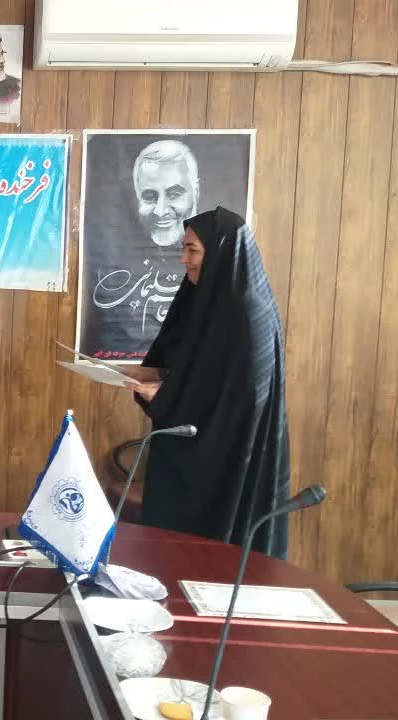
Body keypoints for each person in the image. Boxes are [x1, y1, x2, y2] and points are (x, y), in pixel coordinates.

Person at [123, 206, 291, 558]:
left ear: (220, 253)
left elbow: (241, 403)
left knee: (211, 559)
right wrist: (156, 374)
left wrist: (168, 398)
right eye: (183, 249)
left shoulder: (249, 315)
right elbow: (198, 367)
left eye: (193, 250)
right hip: (199, 451)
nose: (183, 260)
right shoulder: (204, 298)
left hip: (230, 463)